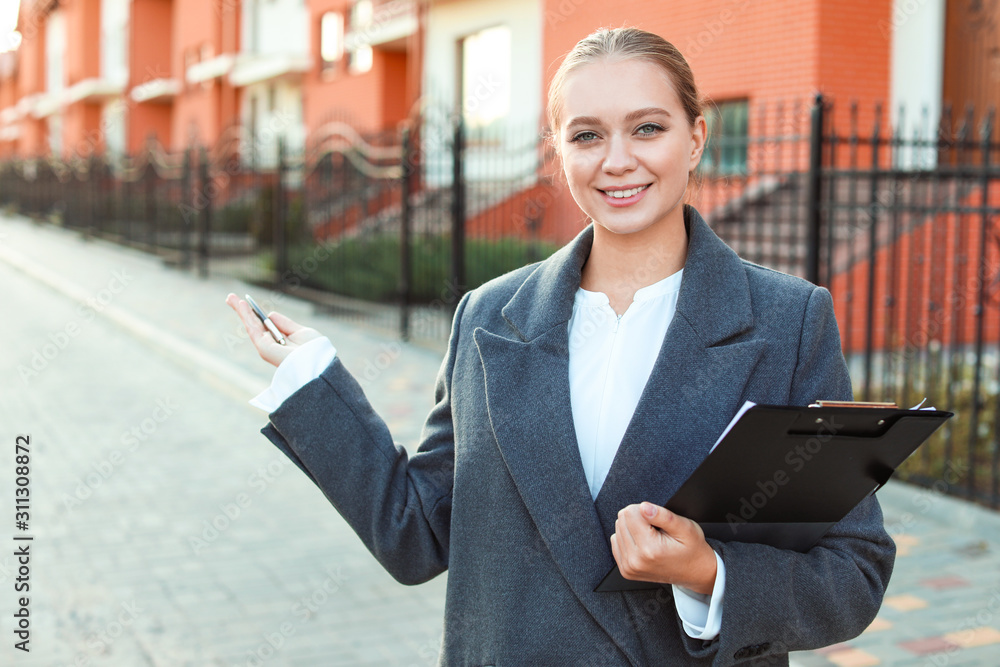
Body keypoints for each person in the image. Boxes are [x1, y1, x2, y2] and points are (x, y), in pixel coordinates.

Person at [225, 26, 894, 666]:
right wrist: (313, 382)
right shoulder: (489, 318)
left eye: (648, 128)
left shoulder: (787, 321)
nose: (617, 160)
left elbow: (850, 572)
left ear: (695, 139)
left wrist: (707, 572)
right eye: (587, 135)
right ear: (559, 149)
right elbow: (416, 532)